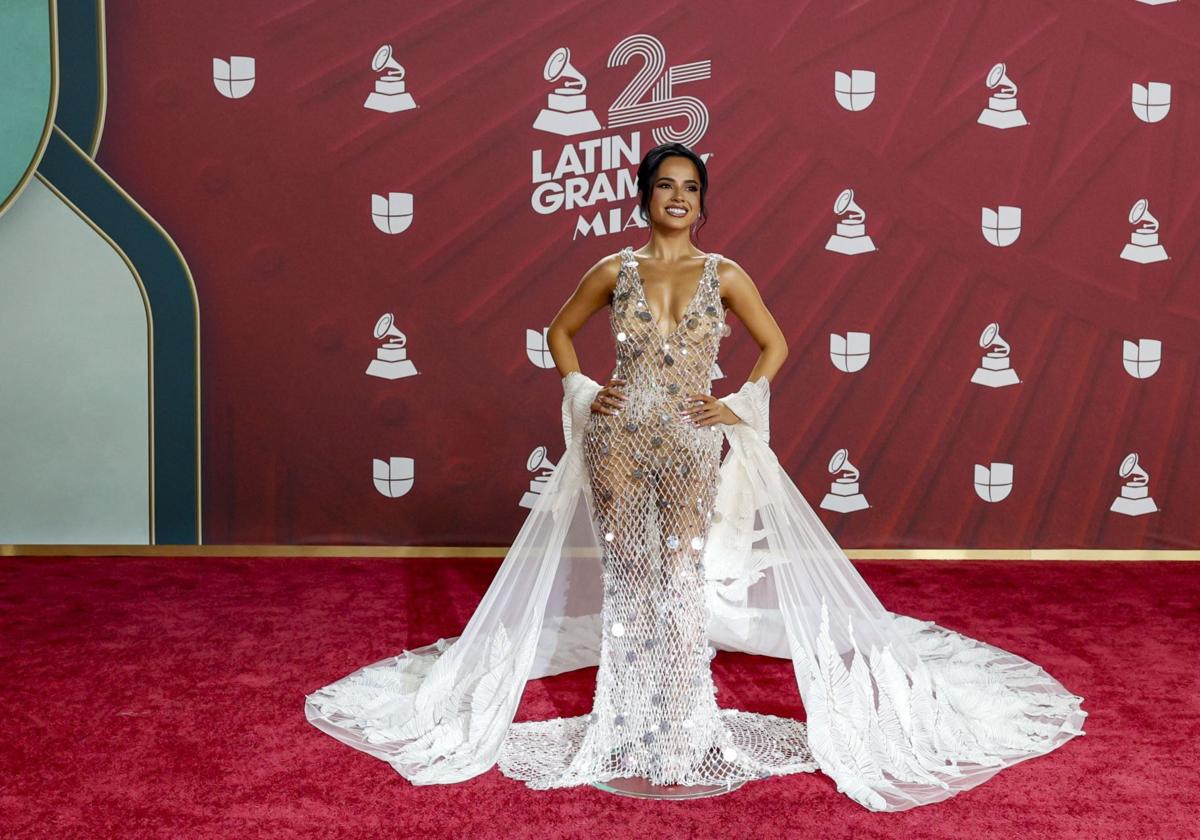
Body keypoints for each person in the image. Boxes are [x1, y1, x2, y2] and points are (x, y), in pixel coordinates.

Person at [305, 143, 1087, 812]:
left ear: (701, 204)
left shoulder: (727, 273)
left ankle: (683, 726)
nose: (679, 198)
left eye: (691, 189)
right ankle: (626, 725)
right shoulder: (613, 269)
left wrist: (738, 402)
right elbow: (558, 331)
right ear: (643, 196)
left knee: (679, 577)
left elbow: (775, 346)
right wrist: (582, 389)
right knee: (631, 577)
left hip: (687, 439)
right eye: (666, 186)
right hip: (616, 437)